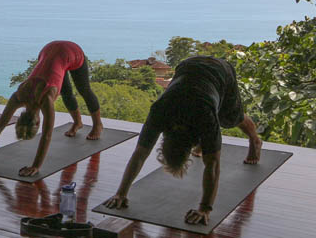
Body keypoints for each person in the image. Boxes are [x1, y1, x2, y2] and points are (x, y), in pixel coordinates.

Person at [104, 56, 262, 226]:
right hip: (187, 66)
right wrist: (121, 193)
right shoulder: (160, 111)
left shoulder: (206, 114)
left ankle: (255, 141)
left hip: (220, 72)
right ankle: (206, 145)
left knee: (232, 118)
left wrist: (205, 208)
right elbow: (140, 154)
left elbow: (213, 165)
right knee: (206, 130)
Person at [0, 40, 102, 177]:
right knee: (66, 92)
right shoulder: (18, 96)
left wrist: (36, 166)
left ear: (37, 122)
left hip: (71, 51)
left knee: (84, 90)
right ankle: (77, 123)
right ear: (20, 117)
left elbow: (47, 135)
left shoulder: (46, 99)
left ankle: (98, 125)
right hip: (48, 51)